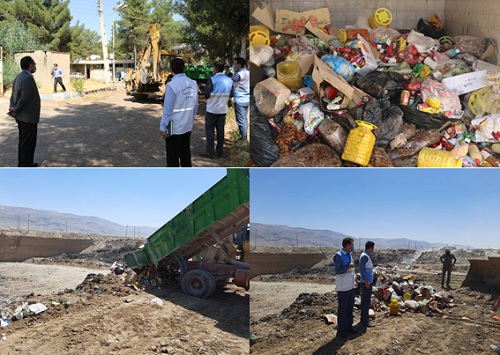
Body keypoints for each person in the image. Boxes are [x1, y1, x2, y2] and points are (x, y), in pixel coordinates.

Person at [160, 57, 198, 167]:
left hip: (173, 127)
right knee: (185, 155)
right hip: (187, 126)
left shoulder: (172, 85)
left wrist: (163, 126)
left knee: (172, 158)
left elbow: (168, 109)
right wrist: (191, 119)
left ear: (171, 69)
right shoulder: (193, 83)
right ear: (184, 69)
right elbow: (195, 105)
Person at [8, 56, 41, 167]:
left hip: (21, 116)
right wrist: (15, 109)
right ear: (30, 65)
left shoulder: (18, 77)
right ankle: (26, 164)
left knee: (23, 141)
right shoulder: (27, 78)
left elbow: (13, 95)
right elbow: (25, 98)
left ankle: (23, 163)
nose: (35, 66)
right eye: (34, 64)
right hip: (28, 117)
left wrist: (12, 107)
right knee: (28, 142)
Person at [199, 61, 233, 158]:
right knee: (220, 131)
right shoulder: (229, 80)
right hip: (223, 109)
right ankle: (220, 151)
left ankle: (210, 151)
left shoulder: (212, 79)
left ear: (215, 69)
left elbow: (206, 94)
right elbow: (232, 94)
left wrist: (204, 89)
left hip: (212, 109)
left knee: (210, 130)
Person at [333, 237, 357, 338]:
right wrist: (347, 267)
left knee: (349, 308)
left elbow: (352, 271)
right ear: (347, 245)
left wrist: (354, 281)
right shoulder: (339, 255)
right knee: (343, 309)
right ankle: (341, 330)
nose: (353, 247)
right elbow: (338, 270)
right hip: (343, 287)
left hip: (350, 286)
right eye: (352, 244)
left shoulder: (349, 255)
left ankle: (349, 326)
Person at [231, 57, 250, 141]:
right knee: (244, 119)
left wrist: (228, 74)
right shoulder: (248, 72)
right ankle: (243, 136)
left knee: (241, 121)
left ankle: (243, 139)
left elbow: (231, 80)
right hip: (246, 99)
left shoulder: (240, 74)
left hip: (240, 100)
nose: (233, 66)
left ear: (239, 65)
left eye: (235, 64)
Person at [359, 241, 375, 328]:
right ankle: (365, 320)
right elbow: (362, 269)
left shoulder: (366, 255)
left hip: (367, 281)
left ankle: (364, 318)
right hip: (366, 282)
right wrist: (366, 281)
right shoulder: (364, 256)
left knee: (366, 300)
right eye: (373, 248)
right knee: (365, 301)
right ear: (370, 248)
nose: (373, 249)